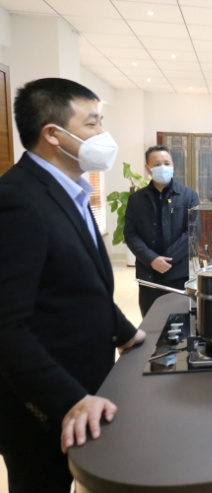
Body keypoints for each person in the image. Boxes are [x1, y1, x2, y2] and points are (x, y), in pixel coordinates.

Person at [0, 78, 145, 492]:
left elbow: (80, 283)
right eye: (92, 124)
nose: (103, 135)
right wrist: (70, 399)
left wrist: (126, 332)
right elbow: (7, 325)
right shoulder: (17, 200)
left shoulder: (72, 192)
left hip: (86, 382)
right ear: (53, 134)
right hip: (42, 404)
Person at [125, 145, 200, 316]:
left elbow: (193, 233)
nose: (163, 167)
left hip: (179, 274)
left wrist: (166, 260)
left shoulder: (188, 196)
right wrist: (152, 259)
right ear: (148, 168)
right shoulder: (136, 199)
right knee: (152, 322)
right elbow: (130, 233)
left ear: (173, 165)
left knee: (180, 323)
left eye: (167, 163)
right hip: (148, 275)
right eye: (157, 164)